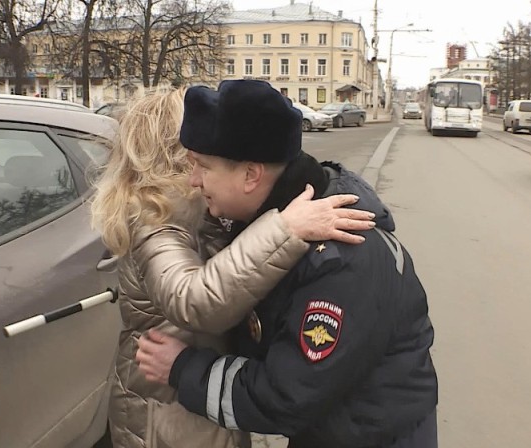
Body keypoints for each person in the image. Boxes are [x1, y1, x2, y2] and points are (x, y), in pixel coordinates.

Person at [136, 80, 438, 448]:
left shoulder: (341, 260)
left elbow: (285, 398)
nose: (193, 180)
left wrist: (182, 369)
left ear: (251, 175)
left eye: (202, 166)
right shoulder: (272, 224)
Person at [90, 88, 375, 448]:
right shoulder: (155, 221)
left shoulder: (191, 211)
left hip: (193, 402)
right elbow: (195, 299)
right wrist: (286, 229)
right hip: (166, 419)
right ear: (178, 153)